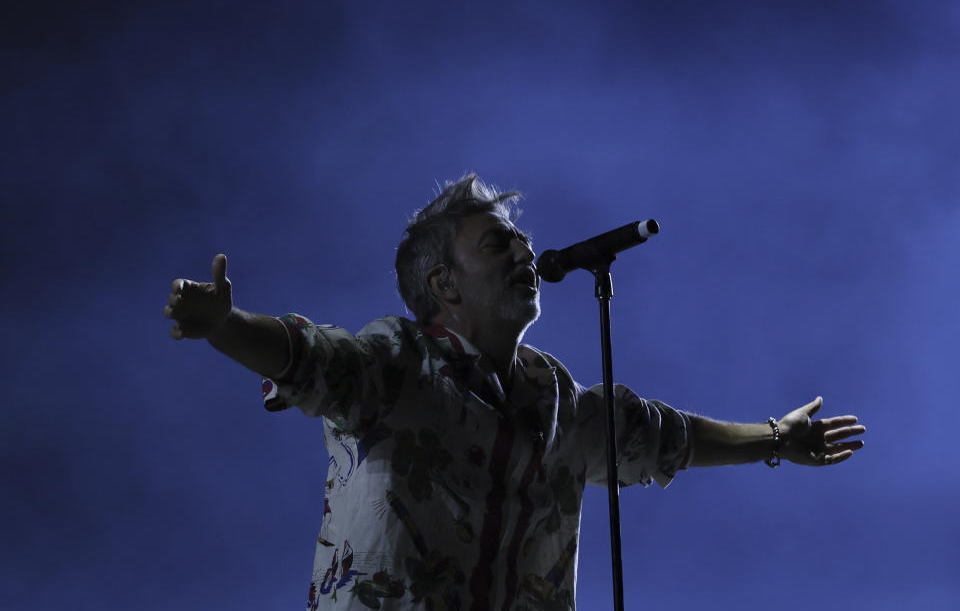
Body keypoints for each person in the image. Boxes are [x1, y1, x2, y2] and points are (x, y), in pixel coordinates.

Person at [164, 174, 865, 610]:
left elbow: (664, 438)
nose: (527, 253)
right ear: (443, 284)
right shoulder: (396, 365)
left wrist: (776, 438)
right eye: (499, 245)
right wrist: (225, 324)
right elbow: (307, 355)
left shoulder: (556, 400)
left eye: (523, 242)